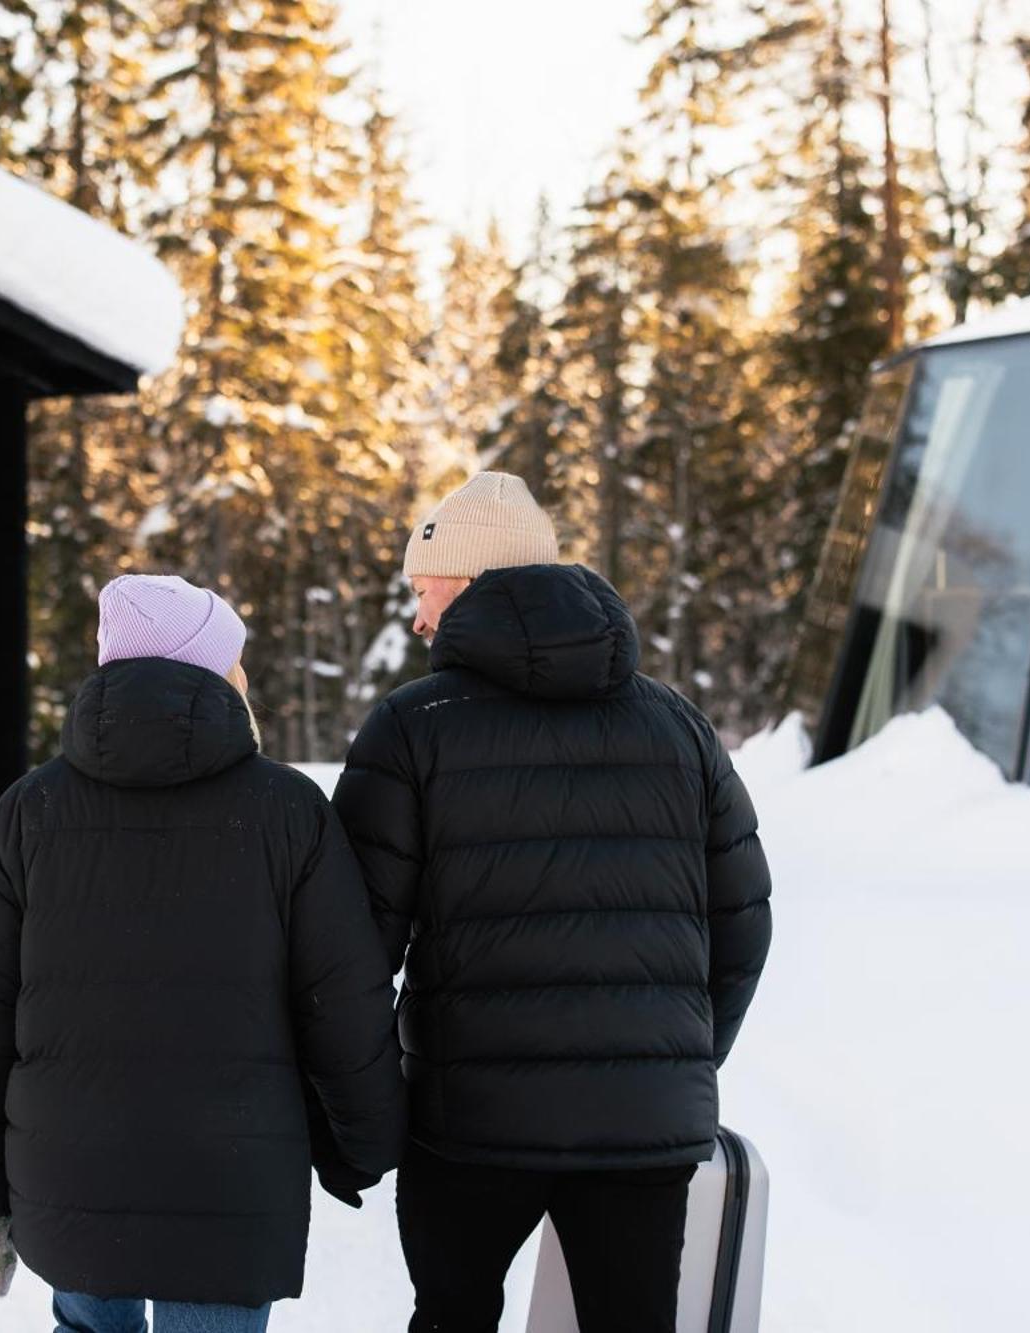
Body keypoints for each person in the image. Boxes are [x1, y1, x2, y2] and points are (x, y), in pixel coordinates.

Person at [332, 472, 773, 1333]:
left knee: (451, 1317)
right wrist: (670, 1063)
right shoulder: (677, 727)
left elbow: (351, 948)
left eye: (424, 589)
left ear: (464, 584)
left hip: (467, 1126)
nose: (419, 616)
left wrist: (359, 1110)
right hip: (642, 1131)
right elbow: (744, 918)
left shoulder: (414, 725)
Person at [0, 574, 407, 1333]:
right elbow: (341, 998)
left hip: (69, 1170)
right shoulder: (286, 810)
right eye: (236, 659)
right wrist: (364, 1141)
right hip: (229, 1177)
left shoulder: (28, 811)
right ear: (213, 673)